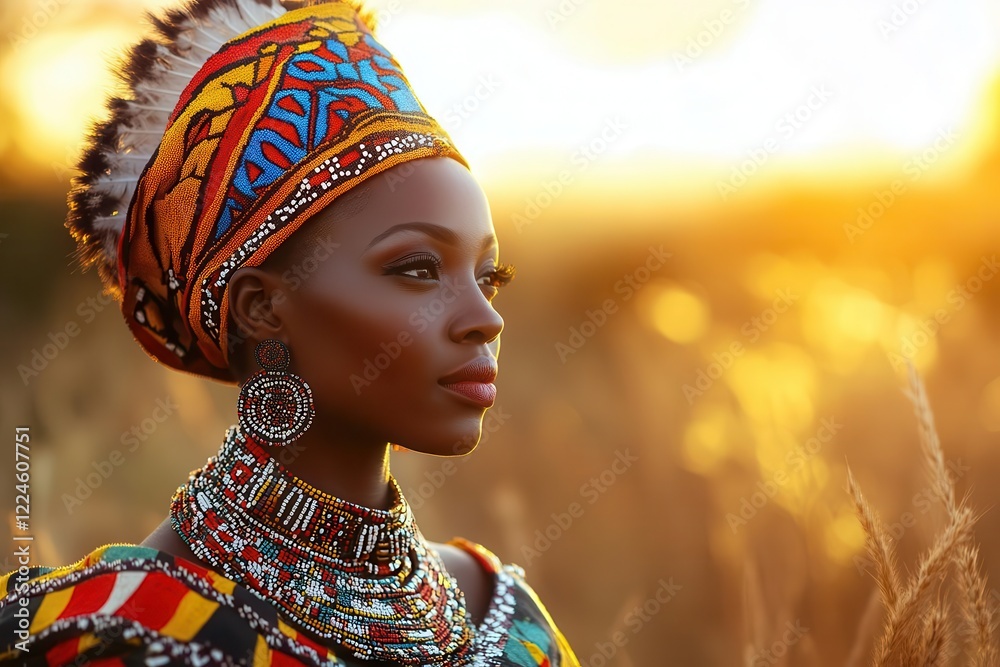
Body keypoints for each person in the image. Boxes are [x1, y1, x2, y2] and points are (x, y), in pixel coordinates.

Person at [0, 0, 581, 664]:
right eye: (418, 268)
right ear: (260, 308)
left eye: (489, 274)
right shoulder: (120, 633)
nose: (486, 316)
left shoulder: (503, 620)